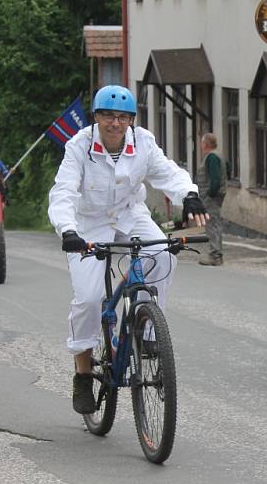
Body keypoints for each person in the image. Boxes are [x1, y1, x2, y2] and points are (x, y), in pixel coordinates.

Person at [48, 84, 208, 414]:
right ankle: (82, 373)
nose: (116, 124)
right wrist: (67, 230)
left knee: (162, 256)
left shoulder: (143, 142)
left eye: (123, 117)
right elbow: (63, 191)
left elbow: (168, 172)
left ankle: (147, 328)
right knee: (90, 298)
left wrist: (188, 194)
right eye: (108, 116)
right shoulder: (79, 146)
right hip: (88, 224)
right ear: (96, 117)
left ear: (131, 120)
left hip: (130, 215)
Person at [196, 132, 226, 266]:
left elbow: (215, 179)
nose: (201, 145)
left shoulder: (212, 158)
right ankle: (217, 254)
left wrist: (209, 193)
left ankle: (215, 255)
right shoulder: (219, 155)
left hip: (211, 196)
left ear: (205, 144)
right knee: (215, 224)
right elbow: (229, 169)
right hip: (217, 195)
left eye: (202, 143)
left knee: (212, 225)